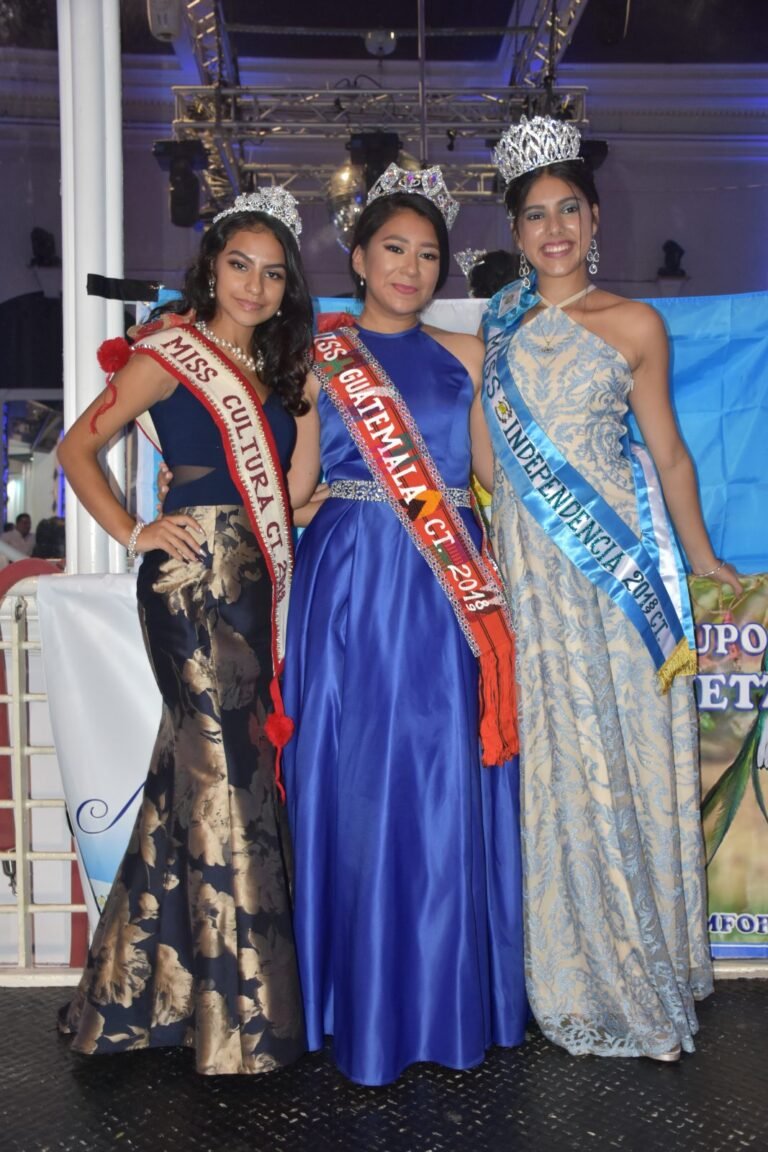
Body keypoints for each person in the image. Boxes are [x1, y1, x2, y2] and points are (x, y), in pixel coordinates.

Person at [482, 116, 742, 1061]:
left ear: (594, 220)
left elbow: (667, 453)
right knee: (558, 763)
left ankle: (640, 972)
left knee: (619, 755)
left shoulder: (635, 324)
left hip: (613, 568)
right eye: (535, 215)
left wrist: (702, 558)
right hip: (529, 573)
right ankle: (571, 969)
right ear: (516, 233)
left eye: (569, 210)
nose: (553, 229)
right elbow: (483, 458)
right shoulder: (499, 323)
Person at [56, 187, 319, 1075]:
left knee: (192, 781)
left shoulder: (280, 374)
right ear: (211, 269)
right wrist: (135, 529)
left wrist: (313, 424)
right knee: (225, 783)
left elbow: (292, 491)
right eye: (239, 265)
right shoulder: (168, 354)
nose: (254, 285)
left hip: (257, 579)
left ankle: (136, 997)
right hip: (192, 582)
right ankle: (242, 1022)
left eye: (272, 273)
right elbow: (76, 450)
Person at [281, 164, 527, 1086]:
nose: (411, 268)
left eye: (428, 255)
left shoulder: (468, 356)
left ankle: (442, 996)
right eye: (394, 249)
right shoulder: (319, 357)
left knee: (439, 775)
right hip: (349, 584)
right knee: (354, 781)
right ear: (357, 257)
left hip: (443, 588)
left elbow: (492, 480)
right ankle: (353, 1000)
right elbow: (297, 485)